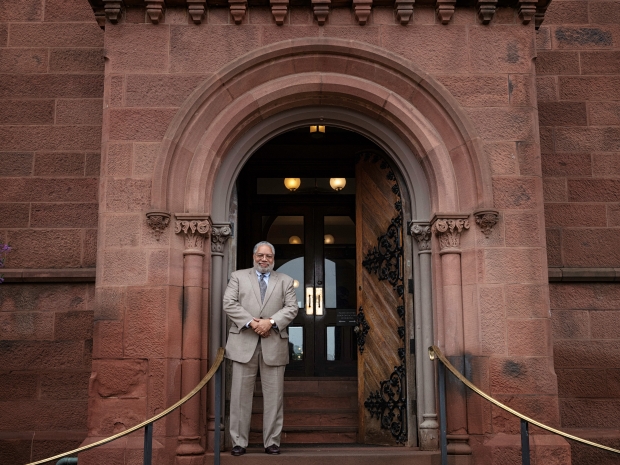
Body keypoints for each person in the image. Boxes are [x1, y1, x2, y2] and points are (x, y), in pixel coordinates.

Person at [223, 241, 298, 456]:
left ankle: (272, 442)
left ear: (273, 259)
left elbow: (292, 308)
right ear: (254, 256)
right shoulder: (238, 277)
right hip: (242, 344)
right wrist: (253, 323)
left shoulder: (284, 281)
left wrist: (271, 322)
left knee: (274, 397)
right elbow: (229, 303)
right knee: (239, 396)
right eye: (260, 255)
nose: (264, 259)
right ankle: (239, 442)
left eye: (268, 256)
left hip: (274, 344)